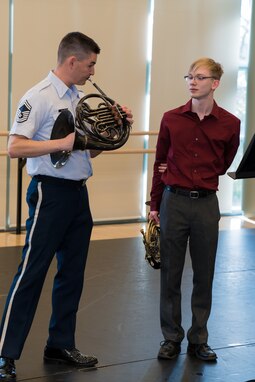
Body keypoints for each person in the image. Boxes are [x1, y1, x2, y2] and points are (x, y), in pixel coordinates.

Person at [0, 31, 133, 379]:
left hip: (77, 193)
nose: (93, 72)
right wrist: (63, 141)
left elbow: (86, 150)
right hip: (49, 193)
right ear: (72, 61)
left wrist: (113, 131)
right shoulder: (39, 96)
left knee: (71, 274)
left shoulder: (77, 97)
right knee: (31, 273)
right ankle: (5, 354)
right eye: (90, 64)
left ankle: (60, 344)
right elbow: (15, 147)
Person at [149, 58, 240, 362]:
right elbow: (160, 162)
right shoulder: (171, 118)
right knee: (170, 274)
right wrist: (154, 203)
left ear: (215, 83)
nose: (193, 81)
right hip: (172, 202)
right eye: (189, 76)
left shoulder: (231, 123)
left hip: (206, 204)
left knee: (204, 274)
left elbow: (225, 162)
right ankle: (171, 338)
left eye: (200, 77)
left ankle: (199, 339)